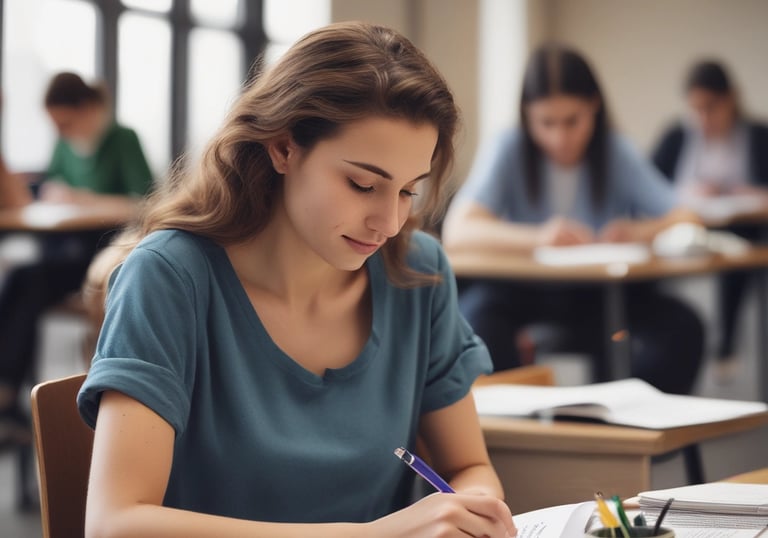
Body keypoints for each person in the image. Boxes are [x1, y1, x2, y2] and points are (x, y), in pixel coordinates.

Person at [75, 22, 515, 538]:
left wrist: (471, 511)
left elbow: (468, 468)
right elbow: (115, 524)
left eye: (407, 192)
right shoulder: (170, 278)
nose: (389, 223)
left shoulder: (417, 271)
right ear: (283, 148)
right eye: (363, 184)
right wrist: (376, 536)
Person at [442, 43, 705, 395]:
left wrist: (639, 232)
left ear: (594, 107)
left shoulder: (614, 150)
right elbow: (458, 230)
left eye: (572, 121)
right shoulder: (508, 147)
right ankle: (526, 434)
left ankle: (622, 434)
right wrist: (538, 237)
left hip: (600, 295)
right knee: (475, 318)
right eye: (546, 123)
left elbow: (686, 217)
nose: (559, 137)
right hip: (526, 291)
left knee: (683, 327)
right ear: (526, 115)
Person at [0, 72, 153, 447]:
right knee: (20, 278)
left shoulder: (122, 139)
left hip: (103, 255)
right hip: (64, 248)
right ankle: (7, 396)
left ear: (86, 110)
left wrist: (82, 198)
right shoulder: (64, 146)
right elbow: (54, 185)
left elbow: (144, 202)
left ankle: (7, 400)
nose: (62, 131)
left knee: (31, 284)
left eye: (66, 123)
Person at [652, 59, 768, 379]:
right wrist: (686, 192)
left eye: (711, 107)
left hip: (747, 230)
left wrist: (747, 192)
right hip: (683, 231)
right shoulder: (676, 136)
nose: (703, 118)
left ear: (731, 99)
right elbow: (648, 188)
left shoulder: (758, 136)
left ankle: (727, 344)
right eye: (696, 109)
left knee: (737, 254)